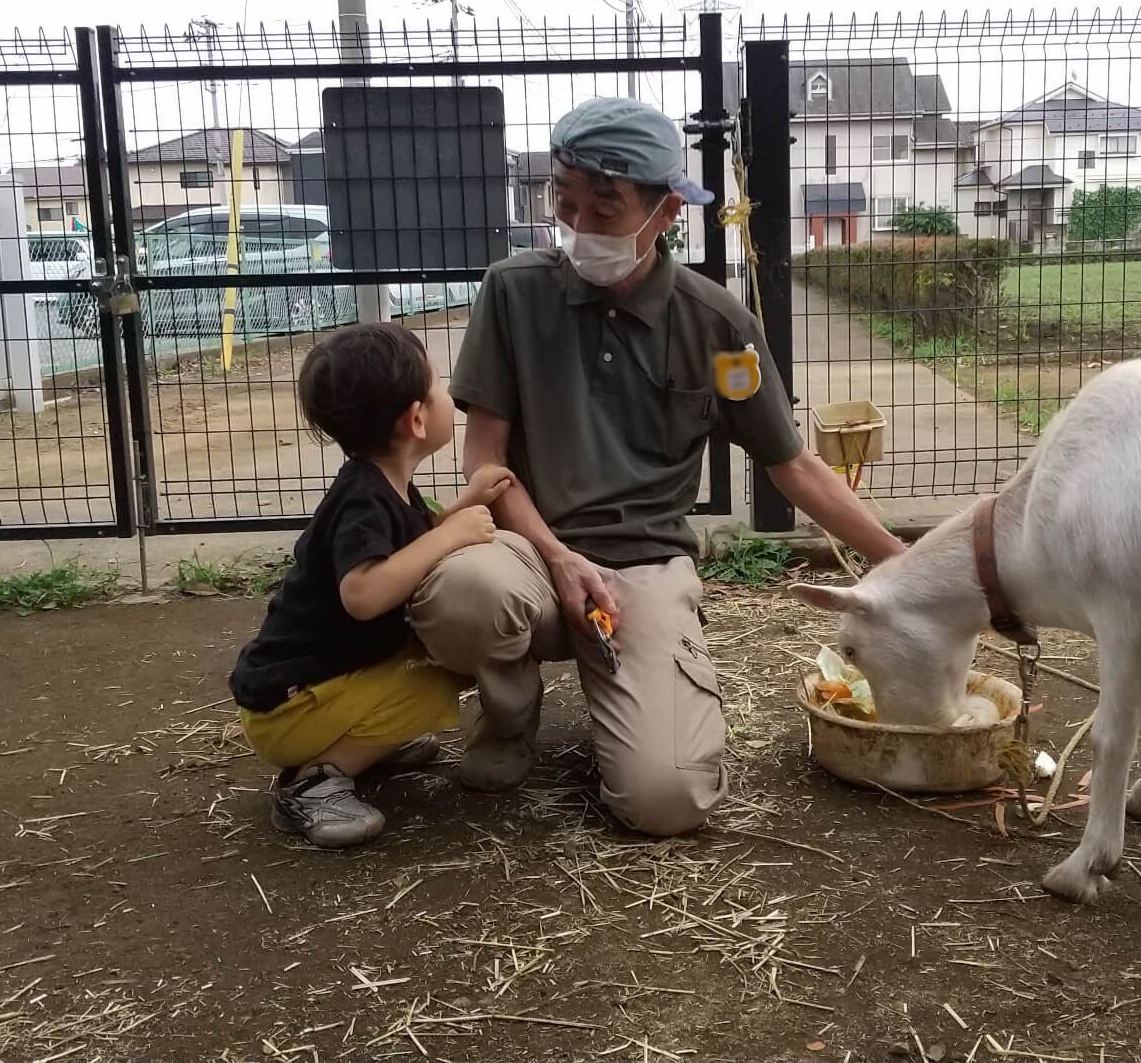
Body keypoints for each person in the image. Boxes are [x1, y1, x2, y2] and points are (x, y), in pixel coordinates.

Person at [408, 96, 907, 837]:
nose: (578, 227)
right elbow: (485, 463)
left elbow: (792, 464)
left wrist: (904, 563)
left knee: (667, 800)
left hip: (642, 567)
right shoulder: (513, 293)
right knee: (461, 593)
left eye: (603, 211)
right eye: (564, 203)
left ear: (667, 210)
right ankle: (510, 716)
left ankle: (635, 690)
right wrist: (557, 556)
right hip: (525, 549)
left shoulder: (720, 329)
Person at [228, 321, 515, 847]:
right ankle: (311, 782)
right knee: (440, 674)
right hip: (290, 708)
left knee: (436, 657)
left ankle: (363, 746)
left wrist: (464, 505)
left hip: (312, 690)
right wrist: (452, 535)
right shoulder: (362, 501)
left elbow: (410, 546)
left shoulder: (384, 484)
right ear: (416, 418)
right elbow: (362, 595)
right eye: (439, 385)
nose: (449, 396)